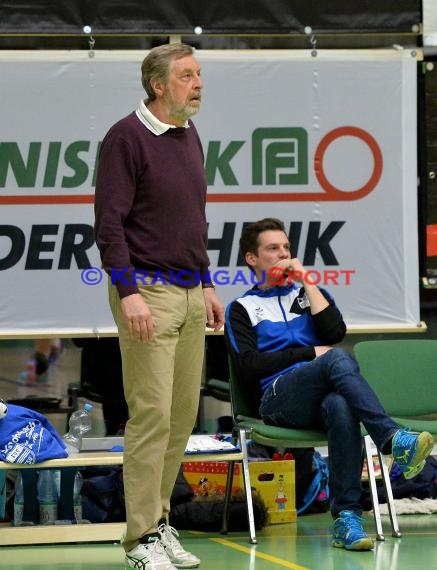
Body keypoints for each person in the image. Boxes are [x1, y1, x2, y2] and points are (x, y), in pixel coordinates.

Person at [225, 217, 433, 552]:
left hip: (318, 397)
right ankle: (392, 438)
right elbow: (248, 367)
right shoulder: (242, 308)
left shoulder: (308, 295)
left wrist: (306, 280)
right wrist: (309, 351)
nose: (283, 255)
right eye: (273, 248)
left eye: (287, 248)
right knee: (336, 358)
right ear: (252, 258)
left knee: (339, 403)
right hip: (277, 399)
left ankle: (346, 519)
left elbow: (335, 332)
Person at [94, 43, 224, 570]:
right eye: (188, 76)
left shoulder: (188, 135)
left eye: (199, 75)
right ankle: (140, 537)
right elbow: (109, 225)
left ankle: (161, 521)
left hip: (192, 293)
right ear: (158, 85)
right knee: (150, 416)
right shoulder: (126, 137)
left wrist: (208, 283)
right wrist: (128, 293)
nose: (198, 84)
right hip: (146, 291)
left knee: (181, 417)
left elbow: (192, 221)